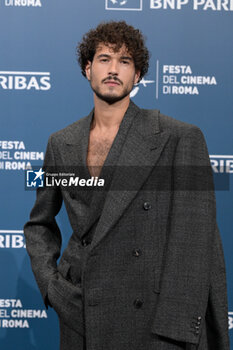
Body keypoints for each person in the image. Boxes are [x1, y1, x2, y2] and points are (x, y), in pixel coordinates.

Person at [24, 21, 230, 350]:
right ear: (88, 69)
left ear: (138, 76)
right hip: (81, 314)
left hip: (150, 321)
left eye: (125, 61)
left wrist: (176, 328)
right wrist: (52, 286)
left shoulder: (178, 138)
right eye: (104, 59)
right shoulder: (60, 143)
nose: (113, 69)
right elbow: (38, 223)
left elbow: (195, 239)